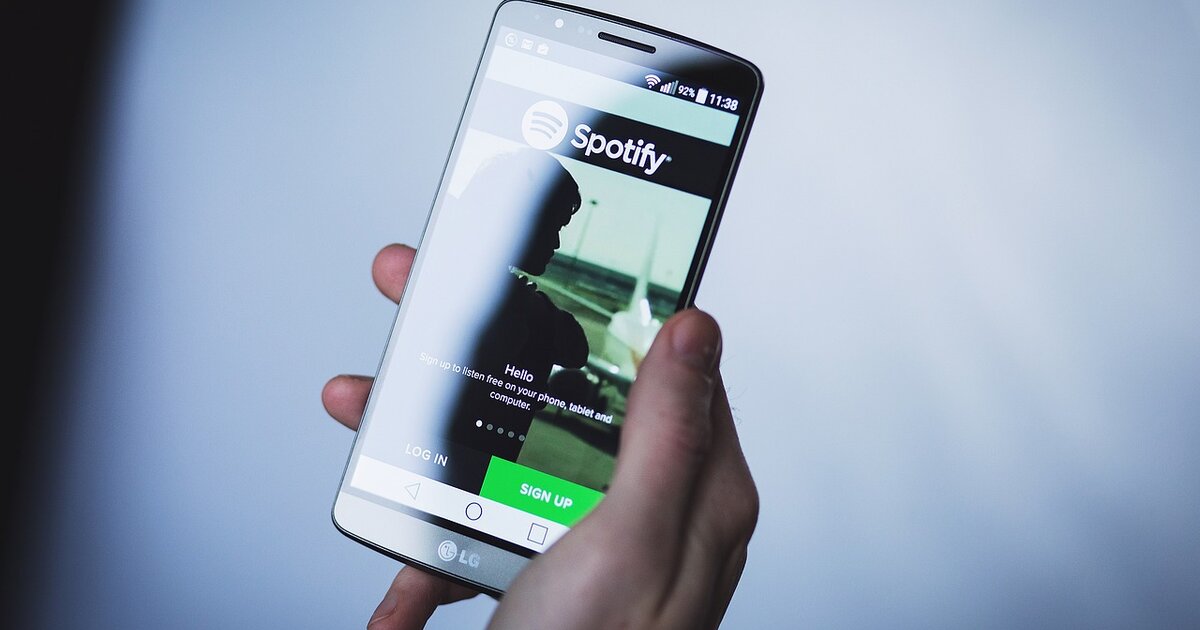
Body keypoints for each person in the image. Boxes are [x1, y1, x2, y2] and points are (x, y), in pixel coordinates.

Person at [322, 243, 759, 629]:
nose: (557, 242)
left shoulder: (502, 300)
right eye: (554, 226)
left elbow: (572, 349)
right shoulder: (522, 309)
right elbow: (573, 349)